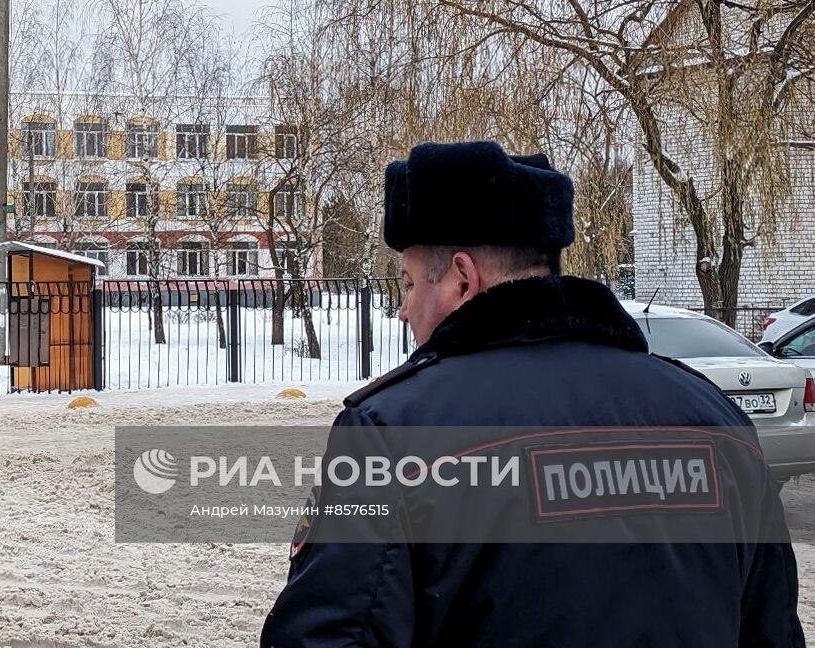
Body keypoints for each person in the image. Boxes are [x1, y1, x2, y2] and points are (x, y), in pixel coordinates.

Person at [261, 141, 802, 647]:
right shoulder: (715, 419)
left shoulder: (394, 433)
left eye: (406, 283)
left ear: (461, 280)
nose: (402, 309)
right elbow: (770, 630)